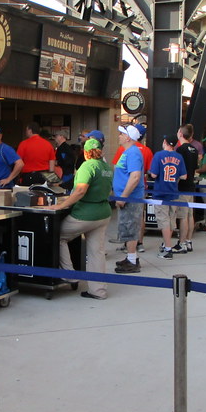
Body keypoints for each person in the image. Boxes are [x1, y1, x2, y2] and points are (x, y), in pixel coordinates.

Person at [46, 137, 113, 299]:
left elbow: (80, 191)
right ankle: (98, 291)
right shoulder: (107, 168)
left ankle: (69, 275)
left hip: (85, 214)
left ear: (85, 152)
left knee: (58, 235)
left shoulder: (87, 166)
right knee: (97, 252)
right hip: (103, 213)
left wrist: (61, 205)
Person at [113, 124, 146, 273]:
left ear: (128, 137)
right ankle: (131, 258)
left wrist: (124, 196)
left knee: (131, 228)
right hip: (126, 197)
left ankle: (132, 261)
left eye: (121, 134)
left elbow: (135, 176)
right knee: (127, 228)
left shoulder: (133, 153)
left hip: (130, 198)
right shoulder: (129, 152)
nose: (119, 136)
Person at [148, 135, 186, 258]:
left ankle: (168, 249)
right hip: (174, 192)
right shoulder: (179, 157)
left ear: (165, 142)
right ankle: (166, 244)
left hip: (160, 193)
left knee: (164, 221)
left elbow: (153, 175)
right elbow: (184, 176)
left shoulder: (158, 155)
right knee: (171, 220)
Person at [174, 124, 200, 254]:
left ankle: (182, 242)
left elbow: (178, 170)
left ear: (180, 133)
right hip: (191, 185)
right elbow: (194, 168)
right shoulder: (194, 149)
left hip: (182, 187)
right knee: (190, 214)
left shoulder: (180, 150)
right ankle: (189, 241)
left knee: (183, 216)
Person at [17, 121, 56, 186]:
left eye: (26, 130)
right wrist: (51, 180)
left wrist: (17, 176)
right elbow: (52, 162)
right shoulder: (48, 144)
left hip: (28, 176)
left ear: (30, 130)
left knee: (27, 195)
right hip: (44, 176)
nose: (26, 132)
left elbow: (18, 162)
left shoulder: (24, 144)